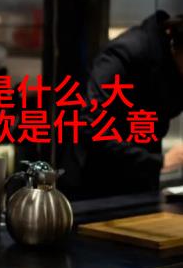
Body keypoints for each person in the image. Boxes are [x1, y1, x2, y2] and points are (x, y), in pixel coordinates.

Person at [62, 11, 183, 198]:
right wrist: (159, 162)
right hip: (95, 181)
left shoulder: (171, 62)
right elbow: (90, 124)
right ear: (176, 46)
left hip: (140, 180)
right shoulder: (126, 52)